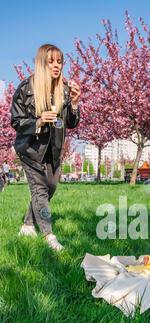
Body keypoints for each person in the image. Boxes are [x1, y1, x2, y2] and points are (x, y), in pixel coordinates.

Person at [10, 44, 80, 250]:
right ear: (41, 63)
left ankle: (27, 225)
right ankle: (48, 236)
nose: (56, 66)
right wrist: (38, 122)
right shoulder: (26, 88)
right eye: (51, 62)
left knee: (51, 187)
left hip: (54, 150)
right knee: (40, 191)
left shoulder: (64, 91)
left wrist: (74, 103)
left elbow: (71, 123)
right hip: (30, 149)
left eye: (59, 62)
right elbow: (16, 121)